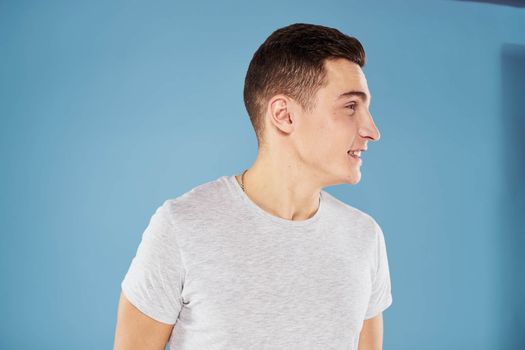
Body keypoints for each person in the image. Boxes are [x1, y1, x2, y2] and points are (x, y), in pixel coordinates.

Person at [114, 22, 392, 350]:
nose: (372, 130)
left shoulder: (364, 238)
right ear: (284, 115)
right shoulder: (182, 228)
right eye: (350, 107)